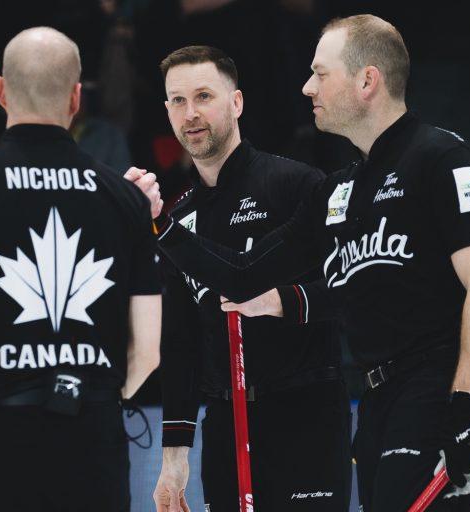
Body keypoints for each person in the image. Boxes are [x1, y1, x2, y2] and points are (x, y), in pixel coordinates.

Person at [154, 15, 470, 511]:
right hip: (376, 397)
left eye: (320, 74)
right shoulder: (340, 189)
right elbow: (244, 275)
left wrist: (469, 402)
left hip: (434, 389)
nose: (306, 87)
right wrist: (162, 226)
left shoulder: (443, 157)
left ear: (367, 80)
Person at [0, 27, 162, 512]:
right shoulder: (125, 200)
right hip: (92, 437)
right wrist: (91, 392)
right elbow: (147, 350)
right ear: (76, 98)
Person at [144, 46, 351, 512]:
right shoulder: (180, 217)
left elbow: (347, 289)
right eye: (177, 101)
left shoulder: (295, 184)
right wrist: (174, 459)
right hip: (225, 425)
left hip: (306, 414)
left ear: (236, 103)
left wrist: (284, 300)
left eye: (203, 96)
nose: (191, 113)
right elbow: (180, 345)